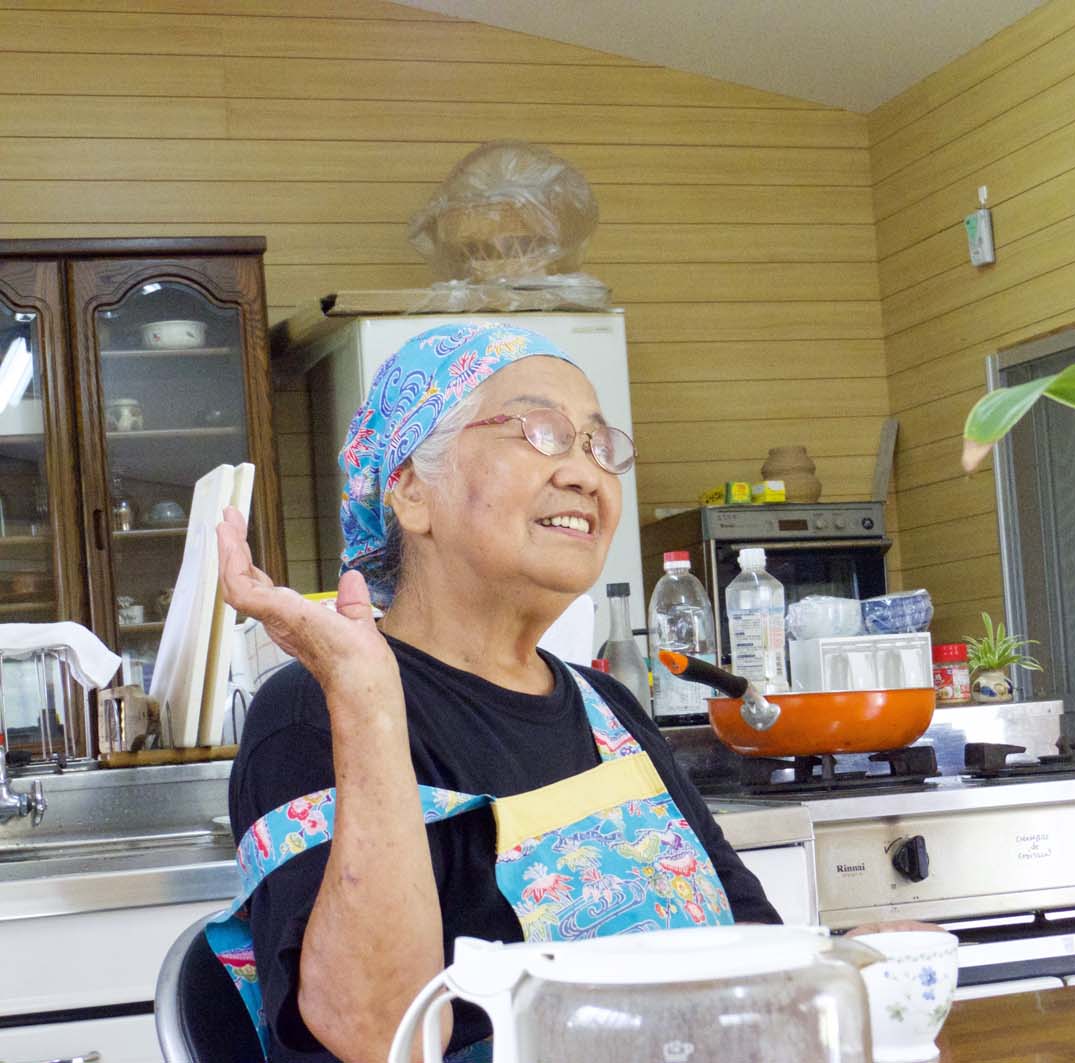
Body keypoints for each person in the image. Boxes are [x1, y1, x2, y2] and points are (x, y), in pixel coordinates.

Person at [208, 324, 779, 1063]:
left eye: (598, 445)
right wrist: (370, 701)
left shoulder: (608, 709)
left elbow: (757, 947)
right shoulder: (314, 707)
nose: (585, 473)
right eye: (541, 432)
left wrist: (858, 966)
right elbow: (380, 1038)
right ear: (412, 491)